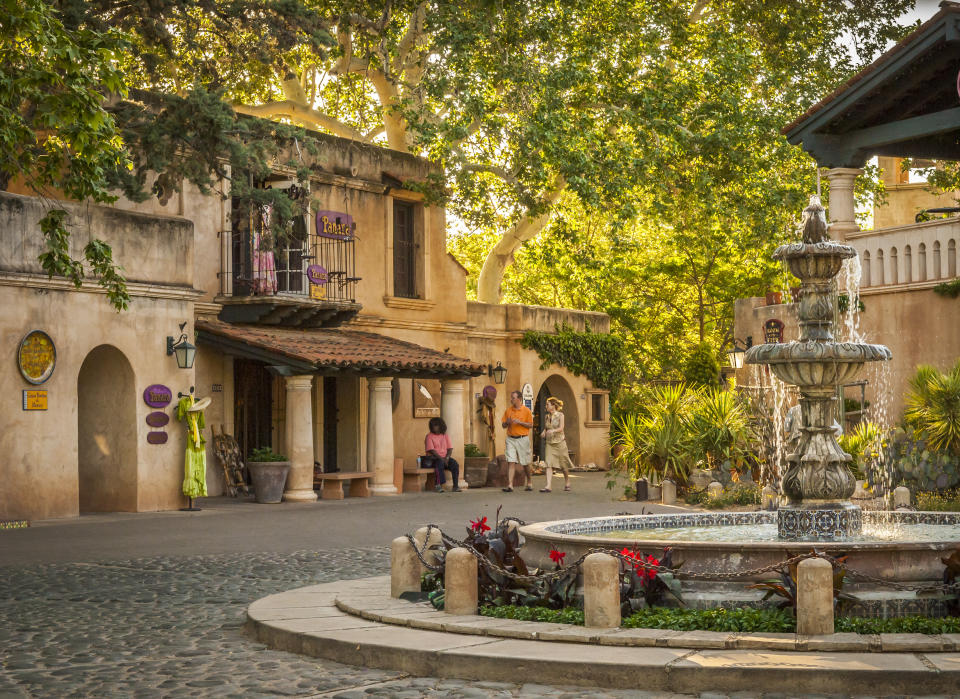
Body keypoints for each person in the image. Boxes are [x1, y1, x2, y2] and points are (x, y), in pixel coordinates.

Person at [540, 397, 574, 492]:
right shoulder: (547, 416)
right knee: (549, 464)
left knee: (563, 465)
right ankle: (548, 486)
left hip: (560, 442)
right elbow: (547, 427)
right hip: (550, 443)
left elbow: (561, 428)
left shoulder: (560, 415)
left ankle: (567, 481)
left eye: (548, 404)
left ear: (553, 406)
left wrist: (553, 431)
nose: (546, 406)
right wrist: (544, 431)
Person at [501, 390, 534, 492]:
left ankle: (529, 482)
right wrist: (507, 422)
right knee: (511, 461)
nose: (511, 400)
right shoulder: (508, 411)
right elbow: (503, 425)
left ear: (519, 399)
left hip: (522, 439)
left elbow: (531, 425)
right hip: (510, 439)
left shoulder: (527, 411)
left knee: (525, 463)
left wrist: (520, 422)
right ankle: (510, 485)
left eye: (513, 398)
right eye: (511, 397)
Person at [424, 416, 461, 493]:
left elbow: (450, 449)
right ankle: (438, 485)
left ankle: (455, 486)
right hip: (433, 458)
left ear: (441, 425)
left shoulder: (445, 436)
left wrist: (447, 458)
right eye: (432, 425)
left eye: (436, 425)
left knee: (455, 464)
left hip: (445, 458)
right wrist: (442, 459)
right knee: (439, 464)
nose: (434, 427)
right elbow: (432, 450)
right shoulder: (429, 436)